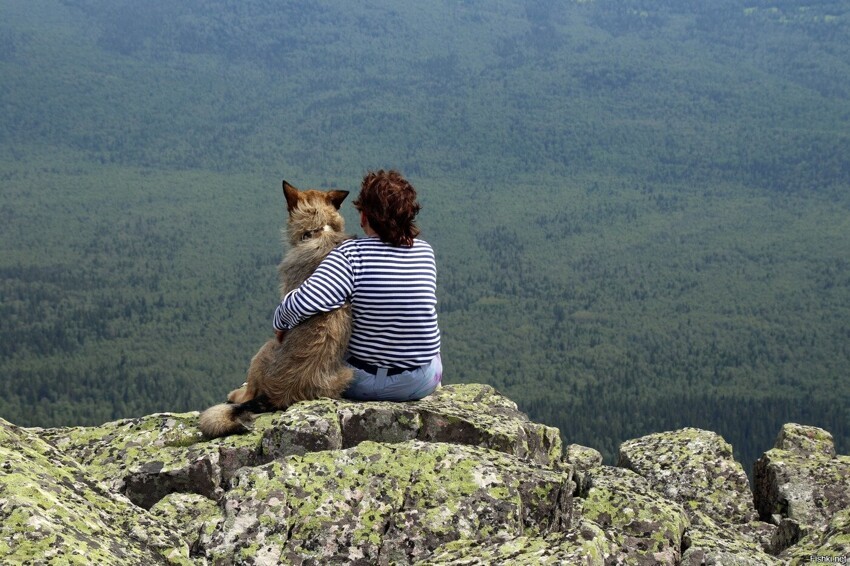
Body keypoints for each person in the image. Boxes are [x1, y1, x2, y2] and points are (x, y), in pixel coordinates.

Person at [273, 170, 442, 401]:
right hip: (421, 381)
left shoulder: (350, 255)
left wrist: (280, 323)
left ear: (365, 217)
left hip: (364, 383)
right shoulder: (425, 252)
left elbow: (302, 303)